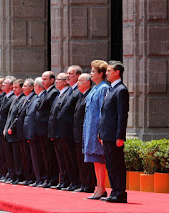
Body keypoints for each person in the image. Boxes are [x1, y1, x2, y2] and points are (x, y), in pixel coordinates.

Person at [99, 60, 129, 203]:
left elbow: (122, 115)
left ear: (117, 72)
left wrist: (120, 136)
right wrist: (101, 132)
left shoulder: (121, 90)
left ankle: (120, 192)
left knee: (117, 164)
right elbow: (105, 114)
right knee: (110, 165)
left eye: (109, 71)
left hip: (114, 135)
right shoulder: (110, 89)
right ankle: (114, 191)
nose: (106, 73)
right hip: (107, 134)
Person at [83, 60, 109, 199]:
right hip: (90, 127)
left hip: (96, 128)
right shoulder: (95, 88)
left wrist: (100, 130)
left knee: (100, 159)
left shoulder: (104, 88)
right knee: (95, 159)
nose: (91, 73)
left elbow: (102, 110)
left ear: (101, 74)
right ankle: (99, 187)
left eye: (93, 71)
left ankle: (102, 187)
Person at [35, 71, 59, 188]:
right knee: (44, 156)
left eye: (45, 79)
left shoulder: (53, 93)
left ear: (52, 80)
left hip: (47, 129)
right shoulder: (45, 93)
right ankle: (47, 178)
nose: (42, 81)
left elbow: (51, 113)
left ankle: (52, 179)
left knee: (50, 156)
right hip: (41, 130)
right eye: (42, 79)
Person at [0, 76, 17, 182]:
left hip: (6, 128)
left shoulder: (12, 98)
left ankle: (10, 174)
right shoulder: (3, 97)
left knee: (7, 154)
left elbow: (8, 115)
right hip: (0, 128)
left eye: (4, 83)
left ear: (11, 86)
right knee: (1, 153)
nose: (2, 85)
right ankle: (3, 173)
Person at [48, 72, 71, 190]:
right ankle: (62, 180)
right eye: (56, 79)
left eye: (59, 79)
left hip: (63, 132)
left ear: (65, 81)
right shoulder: (60, 94)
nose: (57, 81)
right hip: (56, 132)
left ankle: (66, 180)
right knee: (61, 159)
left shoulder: (68, 93)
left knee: (66, 159)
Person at [74, 73, 95, 193]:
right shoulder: (81, 96)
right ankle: (83, 183)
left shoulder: (89, 95)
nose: (77, 83)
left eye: (80, 81)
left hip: (85, 133)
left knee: (86, 162)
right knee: (80, 161)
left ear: (88, 82)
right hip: (78, 133)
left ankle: (89, 184)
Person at [25, 77, 47, 187]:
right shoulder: (35, 98)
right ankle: (38, 178)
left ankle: (41, 178)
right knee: (35, 157)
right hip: (32, 131)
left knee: (40, 157)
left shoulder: (43, 96)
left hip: (38, 132)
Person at [3, 79, 26, 184]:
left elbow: (18, 116)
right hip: (9, 133)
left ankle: (18, 175)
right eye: (13, 87)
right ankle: (12, 175)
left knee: (17, 157)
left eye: (16, 87)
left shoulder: (22, 99)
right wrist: (6, 128)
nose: (14, 89)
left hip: (15, 133)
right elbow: (9, 116)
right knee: (10, 156)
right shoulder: (15, 99)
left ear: (21, 88)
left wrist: (11, 128)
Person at [18, 78, 36, 186]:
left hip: (29, 131)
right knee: (25, 157)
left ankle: (32, 177)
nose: (23, 88)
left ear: (31, 87)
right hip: (22, 131)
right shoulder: (24, 98)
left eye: (25, 86)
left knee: (30, 156)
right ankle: (27, 177)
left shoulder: (33, 98)